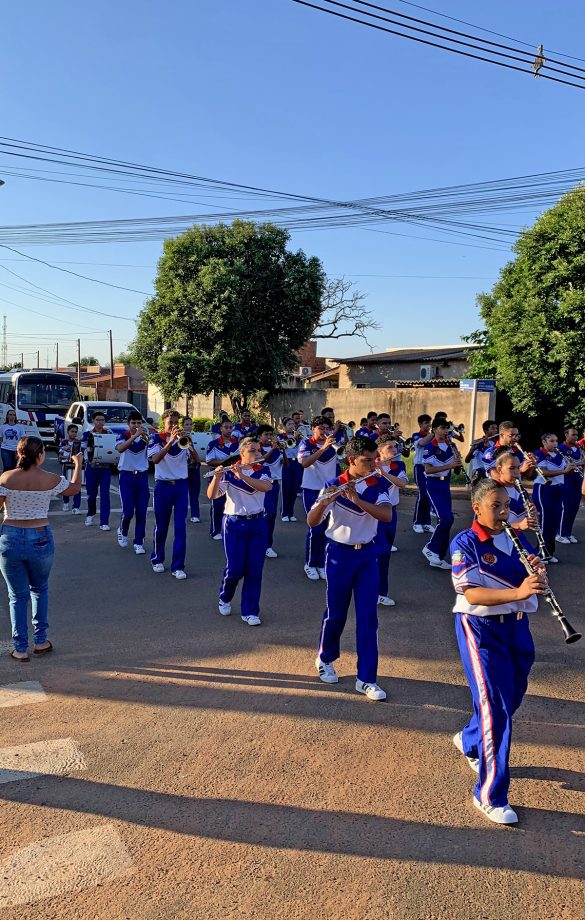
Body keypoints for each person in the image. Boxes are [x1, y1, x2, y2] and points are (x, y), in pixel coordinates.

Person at [450, 477, 547, 824]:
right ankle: (489, 794)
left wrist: (537, 577)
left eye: (507, 505)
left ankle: (470, 738)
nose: (505, 512)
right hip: (481, 629)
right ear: (477, 508)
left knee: (511, 697)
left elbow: (526, 583)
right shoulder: (465, 543)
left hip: (518, 627)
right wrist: (519, 591)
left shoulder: (515, 539)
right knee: (496, 707)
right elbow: (472, 594)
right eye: (496, 506)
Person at [308, 435, 392, 701]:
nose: (372, 463)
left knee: (368, 618)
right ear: (351, 460)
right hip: (338, 555)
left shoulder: (379, 484)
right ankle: (325, 658)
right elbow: (312, 522)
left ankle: (366, 678)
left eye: (373, 458)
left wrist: (356, 499)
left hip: (367, 555)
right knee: (336, 613)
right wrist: (325, 501)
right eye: (367, 460)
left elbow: (386, 515)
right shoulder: (334, 484)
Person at [0, 435, 82, 660]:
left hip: (11, 536)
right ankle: (40, 641)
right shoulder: (50, 479)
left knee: (16, 596)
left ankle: (19, 648)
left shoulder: (5, 478)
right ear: (40, 455)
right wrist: (78, 464)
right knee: (39, 589)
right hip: (40, 536)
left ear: (19, 453)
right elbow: (74, 489)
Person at [207, 435, 272, 626]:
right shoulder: (228, 472)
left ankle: (250, 610)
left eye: (259, 450)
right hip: (234, 524)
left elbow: (266, 487)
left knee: (255, 569)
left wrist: (242, 476)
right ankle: (225, 596)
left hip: (258, 523)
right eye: (252, 450)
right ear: (242, 453)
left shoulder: (263, 469)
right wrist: (217, 477)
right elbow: (212, 495)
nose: (257, 453)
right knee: (235, 568)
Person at [147, 409, 197, 578]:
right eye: (171, 423)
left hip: (181, 486)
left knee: (181, 527)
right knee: (161, 525)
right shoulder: (156, 438)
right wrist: (170, 442)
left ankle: (178, 566)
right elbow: (155, 460)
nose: (174, 426)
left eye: (177, 423)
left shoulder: (185, 439)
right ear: (164, 424)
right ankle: (157, 559)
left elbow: (197, 460)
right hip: (163, 486)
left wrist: (190, 444)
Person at [298, 416, 338, 580]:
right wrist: (322, 449)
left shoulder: (334, 445)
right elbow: (305, 463)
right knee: (315, 528)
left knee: (328, 528)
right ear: (313, 428)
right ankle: (310, 563)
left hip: (329, 490)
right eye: (320, 428)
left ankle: (322, 563)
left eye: (327, 428)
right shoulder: (306, 444)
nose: (324, 431)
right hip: (311, 490)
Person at [531, 433, 575, 563]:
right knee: (545, 521)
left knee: (555, 521)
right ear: (544, 442)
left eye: (556, 441)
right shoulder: (539, 454)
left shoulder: (560, 455)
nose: (555, 443)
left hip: (558, 488)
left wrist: (571, 469)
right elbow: (543, 472)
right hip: (544, 489)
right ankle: (540, 552)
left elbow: (564, 472)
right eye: (552, 441)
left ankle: (549, 552)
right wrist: (564, 471)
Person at [421, 418, 459, 569]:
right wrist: (449, 465)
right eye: (442, 428)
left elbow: (455, 470)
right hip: (433, 484)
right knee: (445, 519)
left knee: (447, 520)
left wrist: (457, 464)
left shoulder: (452, 445)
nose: (445, 431)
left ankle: (438, 555)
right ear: (434, 429)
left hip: (446, 484)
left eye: (447, 428)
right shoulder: (429, 447)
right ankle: (430, 548)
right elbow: (428, 469)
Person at [376, 435, 408, 607]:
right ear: (380, 451)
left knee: (385, 554)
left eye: (395, 447)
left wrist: (384, 472)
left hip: (391, 513)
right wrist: (376, 470)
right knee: (379, 552)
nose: (394, 450)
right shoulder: (370, 465)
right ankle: (375, 591)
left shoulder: (399, 465)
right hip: (374, 514)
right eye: (389, 447)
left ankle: (380, 591)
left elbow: (402, 484)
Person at [115, 410, 150, 554]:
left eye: (138, 423)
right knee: (128, 512)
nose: (136, 425)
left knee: (141, 511)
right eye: (133, 423)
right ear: (128, 424)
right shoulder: (122, 435)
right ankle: (122, 531)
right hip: (126, 476)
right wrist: (134, 436)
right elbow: (120, 448)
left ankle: (139, 541)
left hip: (142, 476)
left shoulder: (147, 437)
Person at [206, 418, 240, 539]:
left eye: (231, 427)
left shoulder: (237, 443)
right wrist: (225, 462)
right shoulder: (213, 444)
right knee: (217, 504)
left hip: (233, 476)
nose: (229, 430)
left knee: (232, 503)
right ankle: (215, 530)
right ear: (221, 429)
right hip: (218, 476)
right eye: (226, 427)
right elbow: (209, 461)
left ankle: (228, 528)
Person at [489, 449, 538, 531]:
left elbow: (529, 522)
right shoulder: (492, 491)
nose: (516, 472)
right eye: (511, 468)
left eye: (518, 468)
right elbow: (489, 524)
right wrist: (518, 525)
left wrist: (534, 515)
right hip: (494, 540)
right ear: (500, 469)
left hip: (516, 538)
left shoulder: (522, 491)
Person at [82, 410, 113, 531]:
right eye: (98, 420)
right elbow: (83, 450)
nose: (100, 422)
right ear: (93, 421)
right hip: (92, 468)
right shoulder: (87, 434)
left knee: (105, 495)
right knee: (91, 494)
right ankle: (90, 514)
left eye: (102, 420)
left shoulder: (109, 433)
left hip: (105, 468)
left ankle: (104, 521)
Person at [557, 425, 584, 544]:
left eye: (577, 435)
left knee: (574, 508)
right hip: (566, 480)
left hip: (577, 480)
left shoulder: (579, 448)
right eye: (573, 435)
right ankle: (560, 533)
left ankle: (568, 533)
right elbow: (564, 465)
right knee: (566, 507)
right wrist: (580, 463)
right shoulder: (560, 448)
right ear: (566, 435)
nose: (576, 437)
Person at [257, 424, 280, 557]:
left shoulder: (276, 448)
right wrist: (273, 449)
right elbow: (260, 460)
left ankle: (268, 544)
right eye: (266, 434)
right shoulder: (257, 447)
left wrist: (282, 452)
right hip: (261, 484)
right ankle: (262, 543)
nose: (269, 437)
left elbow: (286, 464)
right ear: (260, 436)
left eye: (271, 434)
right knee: (267, 514)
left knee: (272, 516)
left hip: (275, 484)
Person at [411, 414, 434, 534]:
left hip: (431, 467)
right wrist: (434, 433)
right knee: (423, 494)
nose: (428, 425)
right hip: (420, 467)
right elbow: (421, 443)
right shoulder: (416, 435)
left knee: (429, 494)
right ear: (420, 424)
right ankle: (417, 522)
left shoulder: (434, 437)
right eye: (426, 423)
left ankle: (427, 523)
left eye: (429, 422)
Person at [279, 417, 301, 522]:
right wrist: (294, 438)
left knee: (294, 488)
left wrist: (298, 438)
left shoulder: (299, 437)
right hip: (286, 463)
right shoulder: (281, 437)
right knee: (286, 488)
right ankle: (284, 513)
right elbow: (283, 447)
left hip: (296, 462)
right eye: (289, 424)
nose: (292, 426)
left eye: (293, 424)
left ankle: (291, 512)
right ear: (284, 426)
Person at [181, 416, 202, 523]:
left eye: (190, 424)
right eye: (186, 424)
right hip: (184, 469)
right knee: (183, 493)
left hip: (195, 467)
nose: (189, 427)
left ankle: (195, 514)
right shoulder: (180, 437)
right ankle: (182, 514)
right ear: (182, 426)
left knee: (195, 492)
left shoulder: (195, 437)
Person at [58, 423, 82, 514]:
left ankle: (76, 506)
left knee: (77, 485)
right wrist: (65, 450)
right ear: (68, 432)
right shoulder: (63, 442)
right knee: (65, 485)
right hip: (66, 465)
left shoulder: (79, 442)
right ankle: (66, 502)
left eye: (75, 432)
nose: (74, 433)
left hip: (76, 466)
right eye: (72, 431)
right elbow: (60, 455)